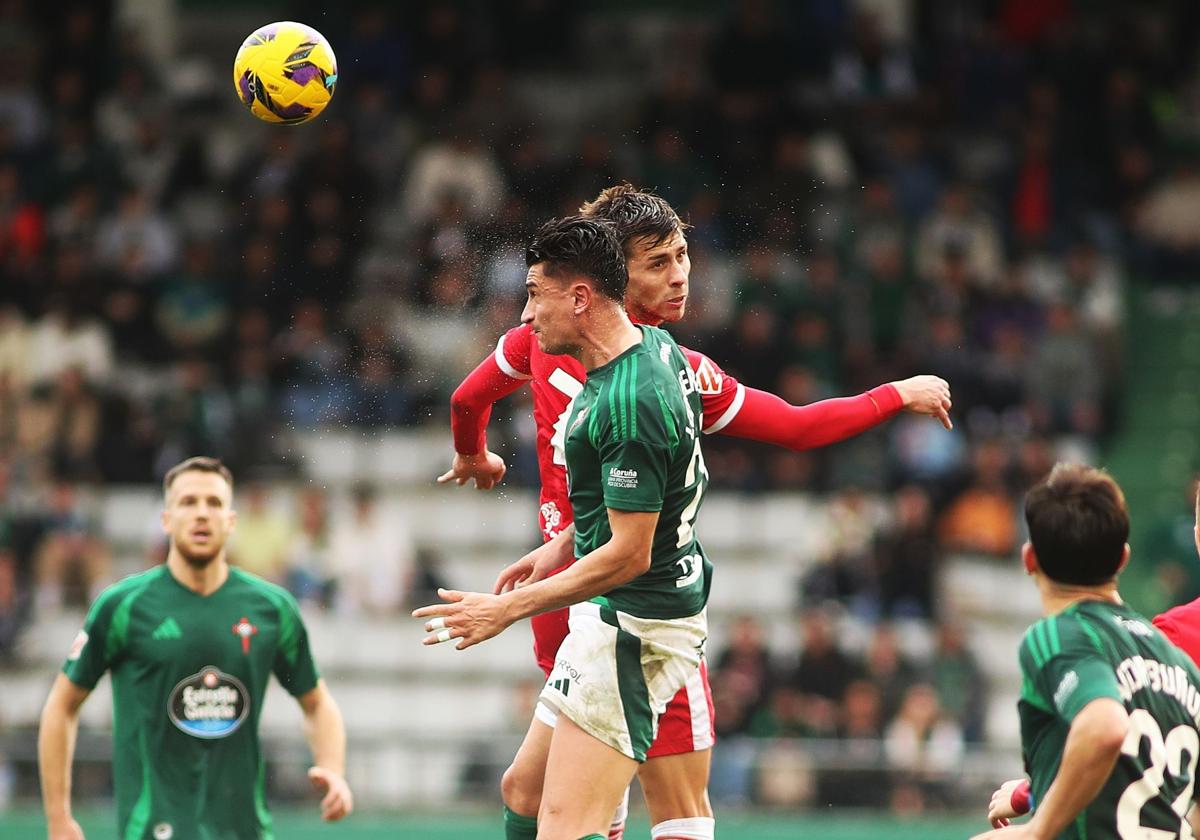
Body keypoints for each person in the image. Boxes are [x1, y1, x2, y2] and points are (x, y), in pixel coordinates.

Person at [439, 184, 953, 840]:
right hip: (603, 598)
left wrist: (477, 460)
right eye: (660, 262)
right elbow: (793, 429)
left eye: (683, 256)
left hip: (626, 605)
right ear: (606, 278)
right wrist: (558, 543)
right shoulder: (666, 367)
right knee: (592, 803)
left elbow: (468, 404)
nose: (682, 275)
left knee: (583, 811)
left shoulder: (617, 369)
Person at [415, 216, 713, 840]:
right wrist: (556, 549)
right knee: (523, 790)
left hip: (632, 625)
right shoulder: (649, 351)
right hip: (610, 614)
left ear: (580, 298)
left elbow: (629, 555)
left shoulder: (628, 404)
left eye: (533, 295)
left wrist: (508, 609)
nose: (525, 316)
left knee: (567, 826)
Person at [38, 456, 352, 840]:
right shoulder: (122, 607)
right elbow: (61, 706)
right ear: (166, 520)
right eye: (188, 502)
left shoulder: (272, 609)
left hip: (245, 832)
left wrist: (333, 769)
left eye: (214, 503)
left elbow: (317, 703)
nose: (202, 514)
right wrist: (58, 817)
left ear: (231, 521)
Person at [977, 464, 1200, 839]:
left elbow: (1108, 728)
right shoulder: (1173, 660)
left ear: (1029, 559)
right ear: (1122, 559)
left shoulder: (1061, 636)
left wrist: (1037, 826)